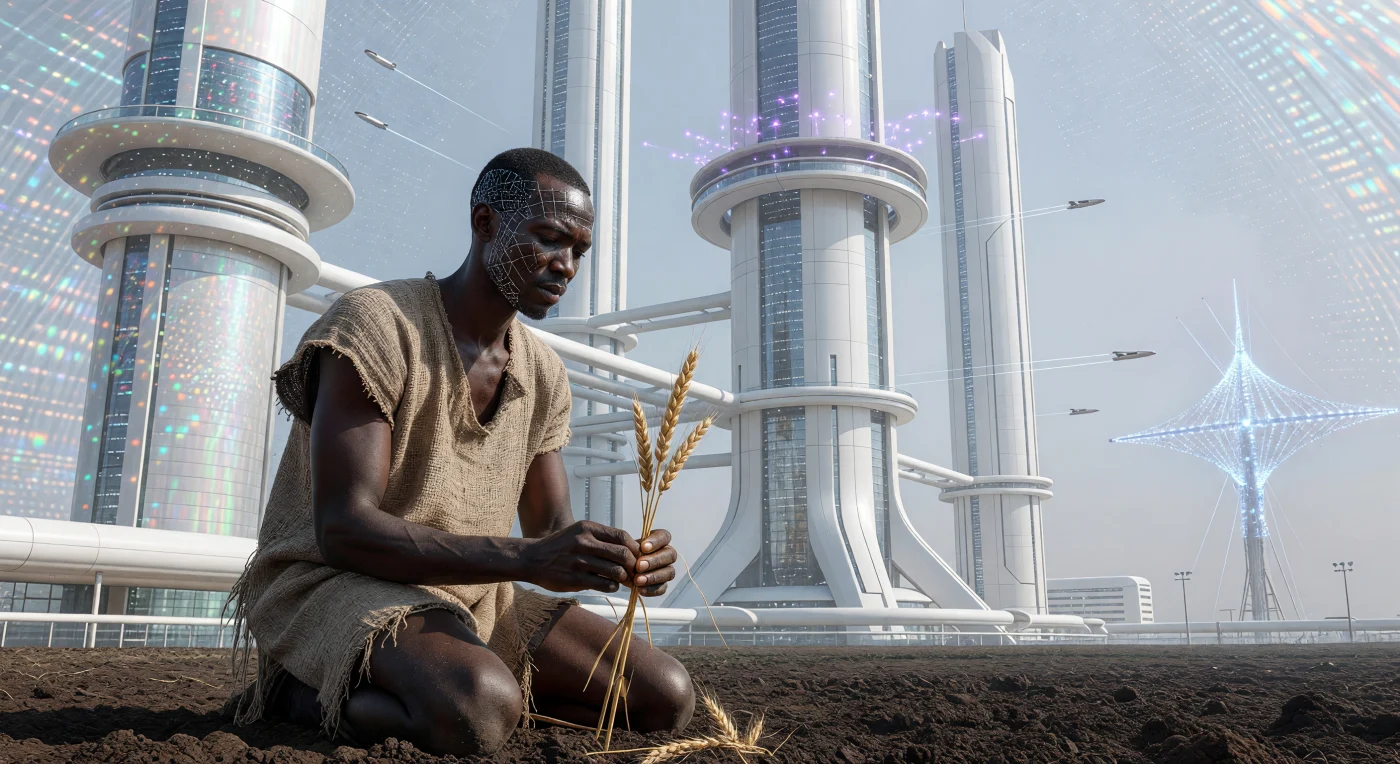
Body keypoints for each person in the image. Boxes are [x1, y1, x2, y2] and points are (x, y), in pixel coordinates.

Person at [229, 148, 695, 755]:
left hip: (472, 596)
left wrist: (619, 556)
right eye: (550, 238)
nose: (566, 266)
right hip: (339, 583)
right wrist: (529, 560)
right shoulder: (377, 324)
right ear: (484, 223)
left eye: (579, 250)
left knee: (666, 693)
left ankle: (444, 687)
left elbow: (548, 527)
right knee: (478, 704)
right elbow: (345, 529)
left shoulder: (543, 373)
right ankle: (297, 691)